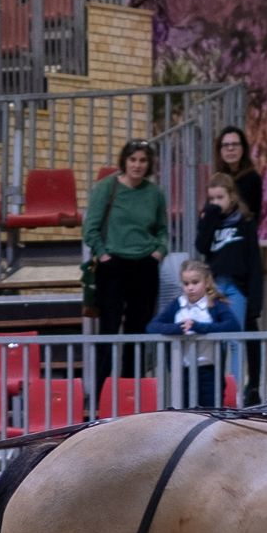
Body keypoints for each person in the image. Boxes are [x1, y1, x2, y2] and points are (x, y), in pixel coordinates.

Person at [83, 139, 169, 408]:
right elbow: (91, 229)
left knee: (138, 333)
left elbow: (162, 230)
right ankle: (100, 398)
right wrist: (103, 254)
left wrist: (159, 250)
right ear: (125, 161)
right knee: (108, 331)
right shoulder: (106, 188)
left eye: (143, 161)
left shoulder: (154, 193)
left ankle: (132, 397)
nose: (138, 165)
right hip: (113, 266)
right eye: (133, 160)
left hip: (145, 265)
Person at [147, 255, 246, 411]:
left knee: (210, 414)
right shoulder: (177, 304)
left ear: (206, 282)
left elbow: (233, 326)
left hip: (209, 373)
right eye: (186, 283)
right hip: (182, 373)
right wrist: (176, 329)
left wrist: (201, 328)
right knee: (184, 416)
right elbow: (152, 326)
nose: (190, 288)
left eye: (195, 282)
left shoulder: (215, 304)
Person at [202, 125, 266, 329]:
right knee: (220, 322)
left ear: (243, 148)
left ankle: (255, 363)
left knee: (248, 319)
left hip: (242, 249)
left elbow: (254, 214)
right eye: (225, 145)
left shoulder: (252, 178)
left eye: (235, 145)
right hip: (219, 253)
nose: (230, 149)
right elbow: (204, 232)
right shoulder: (216, 180)